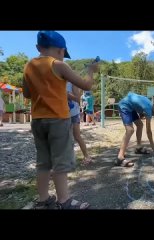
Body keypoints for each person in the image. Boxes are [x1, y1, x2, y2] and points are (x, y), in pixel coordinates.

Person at [23, 31, 99, 209]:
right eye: (63, 54)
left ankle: (42, 200)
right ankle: (64, 201)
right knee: (60, 162)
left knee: (43, 162)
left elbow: (27, 93)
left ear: (38, 47)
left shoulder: (29, 66)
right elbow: (86, 86)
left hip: (38, 120)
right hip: (58, 119)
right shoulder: (59, 65)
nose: (63, 57)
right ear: (61, 50)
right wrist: (90, 71)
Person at [116, 92, 154, 167]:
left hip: (131, 106)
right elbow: (148, 131)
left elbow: (137, 101)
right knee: (130, 130)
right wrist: (153, 146)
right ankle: (120, 157)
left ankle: (138, 147)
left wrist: (141, 114)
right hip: (124, 105)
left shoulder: (150, 104)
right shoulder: (148, 110)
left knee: (140, 125)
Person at [67, 82, 93, 165]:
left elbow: (79, 99)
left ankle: (87, 156)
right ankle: (67, 160)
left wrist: (67, 95)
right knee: (63, 137)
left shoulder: (71, 82)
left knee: (77, 136)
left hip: (73, 113)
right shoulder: (56, 81)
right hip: (61, 114)